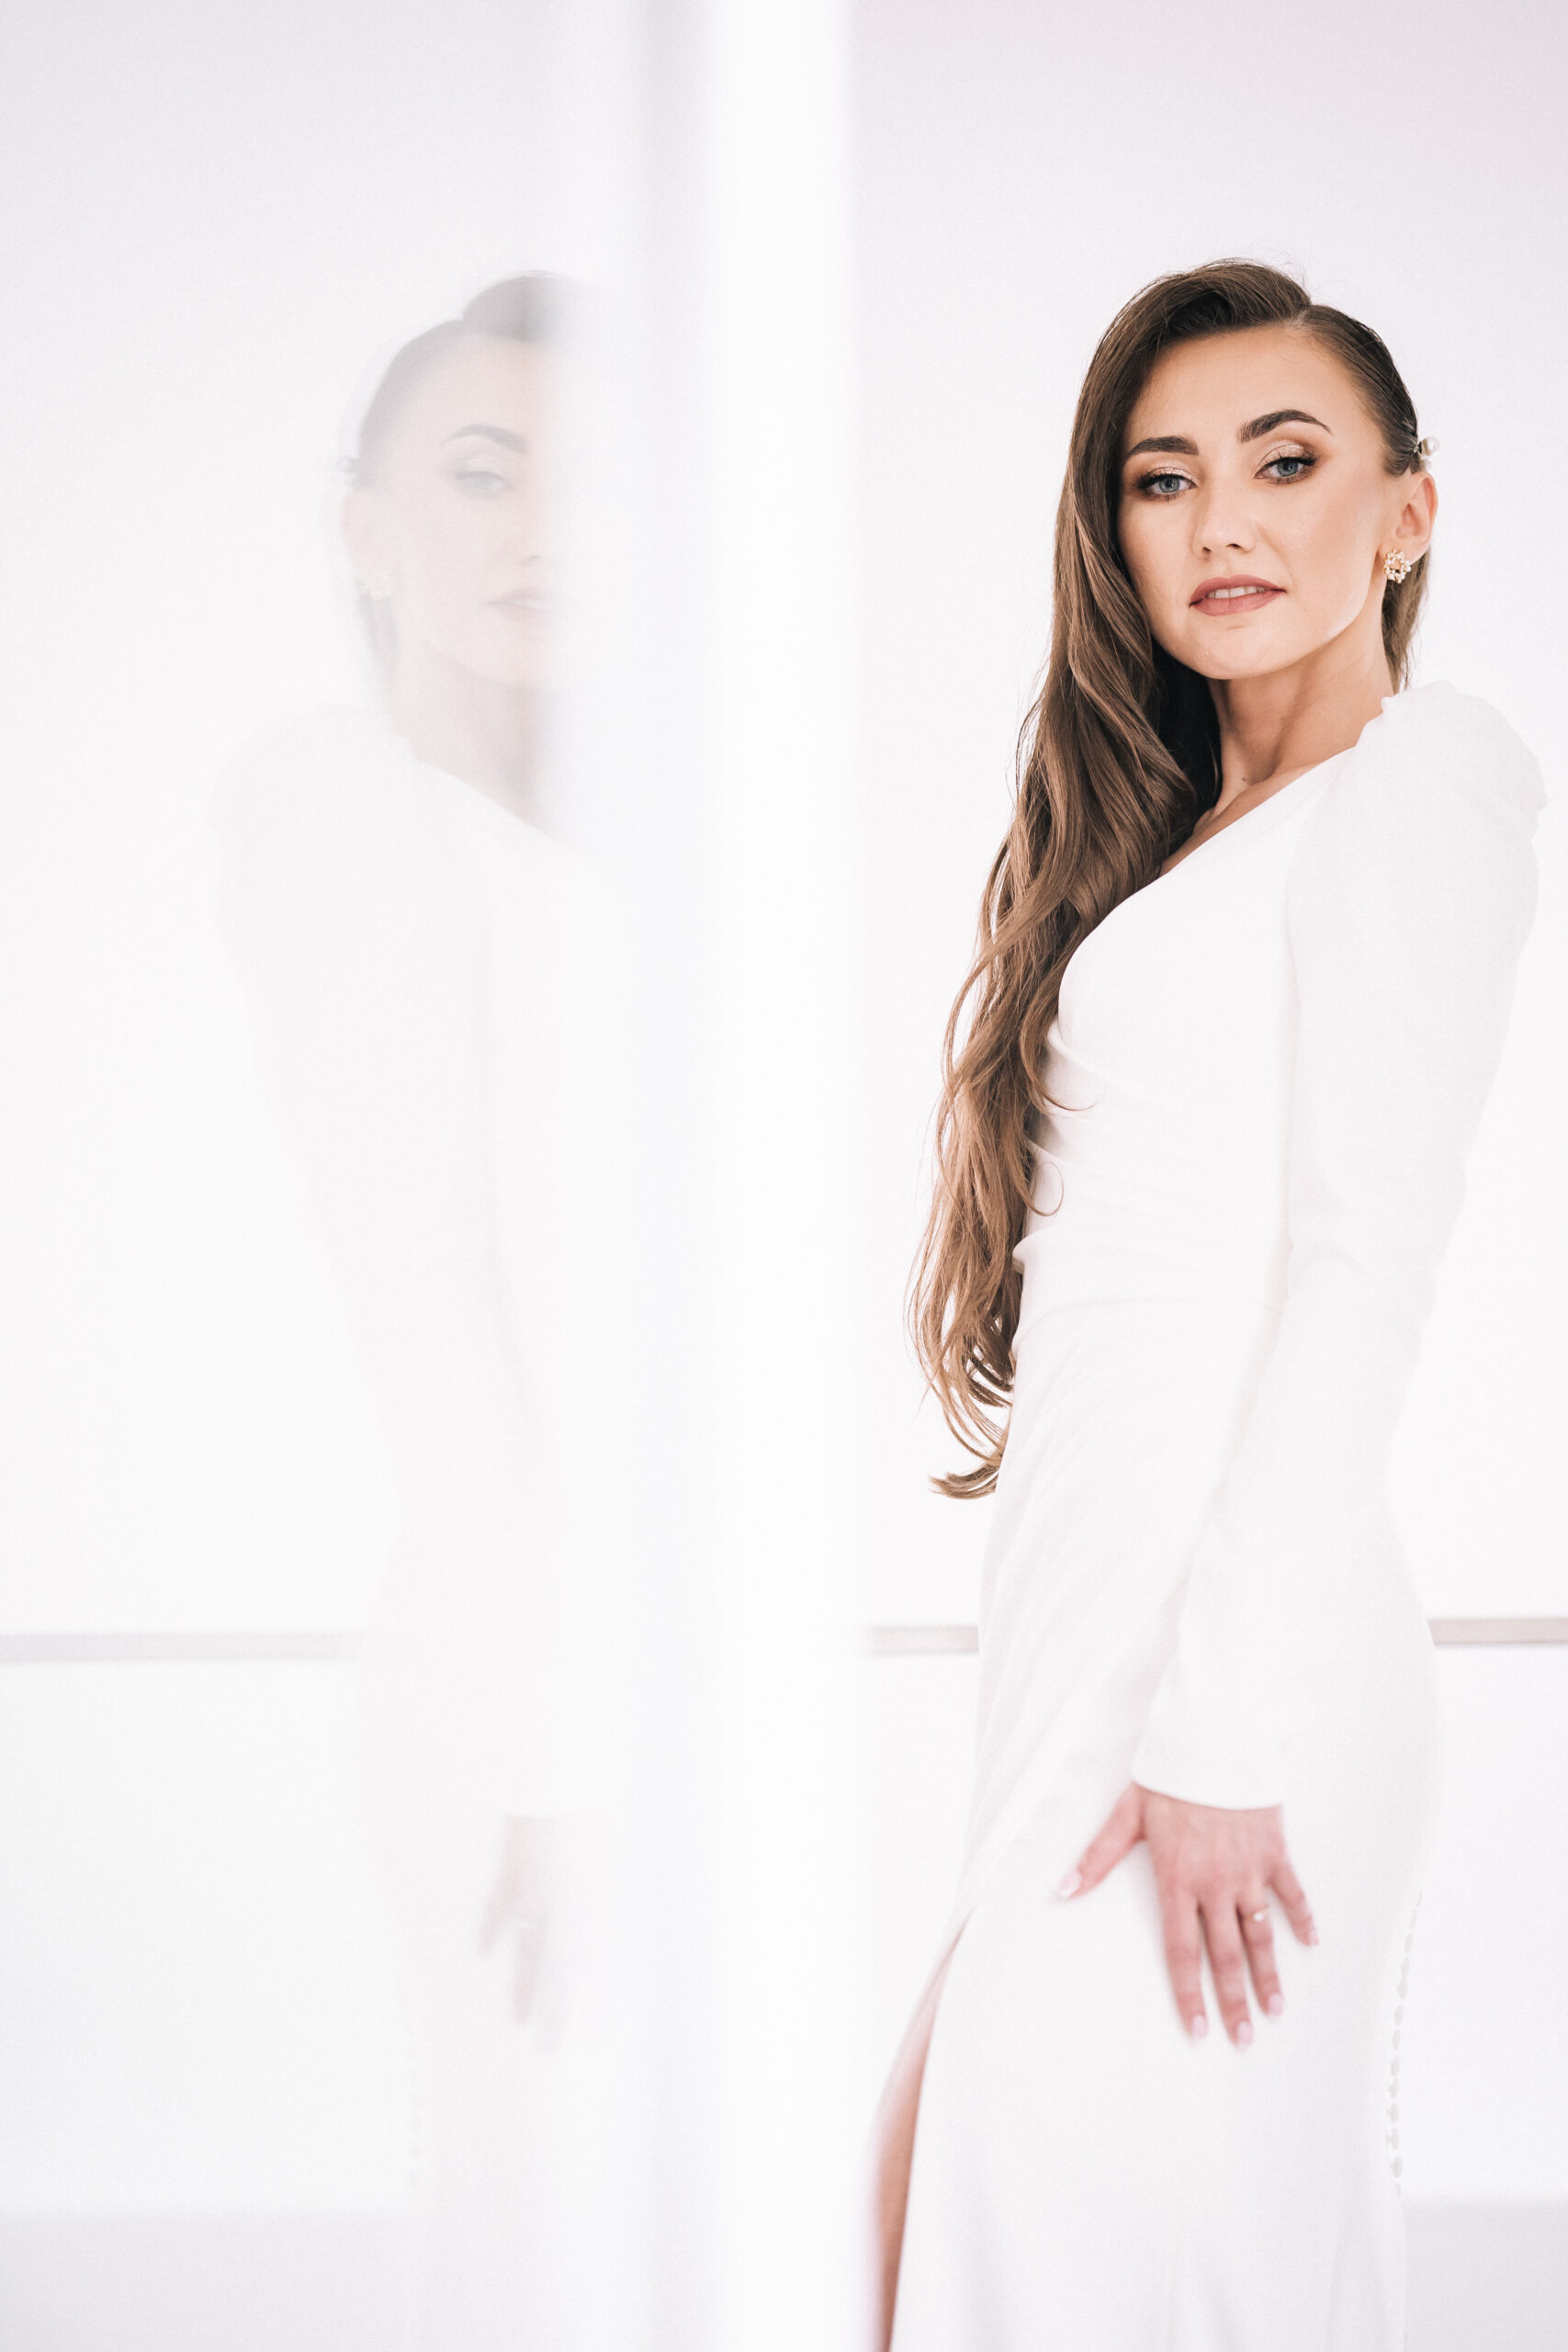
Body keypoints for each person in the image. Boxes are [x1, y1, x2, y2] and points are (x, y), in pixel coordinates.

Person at [874, 260, 1544, 2350]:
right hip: (1086, 1630)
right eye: (1162, 479)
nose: (1221, 522)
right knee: (950, 2227)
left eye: (1285, 460)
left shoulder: (1422, 775)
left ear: (1405, 512)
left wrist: (1222, 1730)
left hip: (1231, 1678)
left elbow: (1366, 1262)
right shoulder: (1172, 841)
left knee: (1100, 2258)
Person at [213, 276, 626, 2350]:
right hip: (527, 1701)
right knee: (546, 2243)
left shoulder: (602, 852)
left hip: (645, 1671)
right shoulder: (345, 805)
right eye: (481, 473)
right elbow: (425, 1292)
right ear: (363, 528)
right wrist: (565, 1751)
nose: (544, 526)